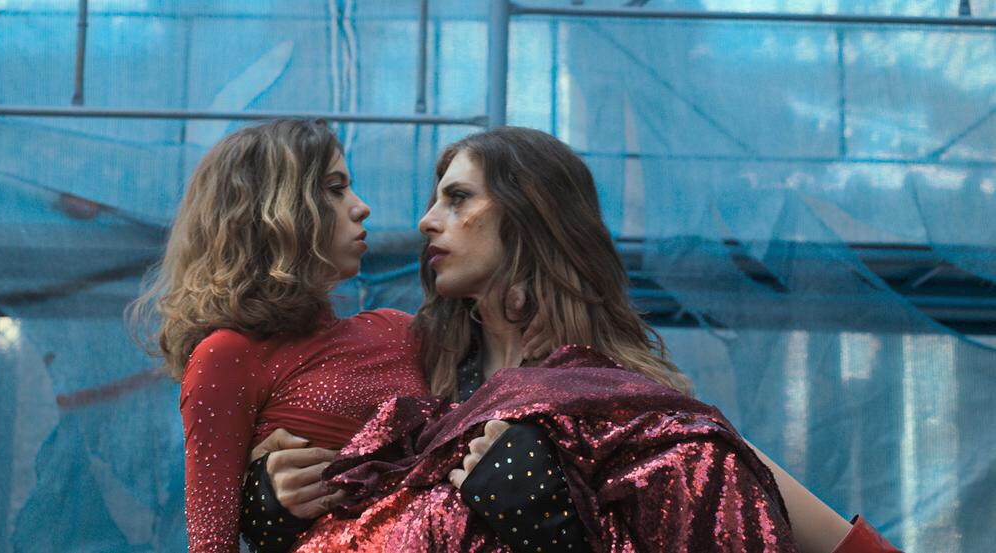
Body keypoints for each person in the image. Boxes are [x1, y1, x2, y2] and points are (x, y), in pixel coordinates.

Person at [247, 127, 899, 552]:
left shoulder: (627, 396)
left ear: (529, 214)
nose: (425, 221)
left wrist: (562, 532)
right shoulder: (407, 366)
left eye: (457, 198)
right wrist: (271, 504)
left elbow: (817, 535)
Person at [130, 119, 432, 552]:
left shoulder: (398, 331)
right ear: (274, 210)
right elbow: (212, 543)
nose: (362, 207)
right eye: (335, 189)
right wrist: (262, 497)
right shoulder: (227, 355)